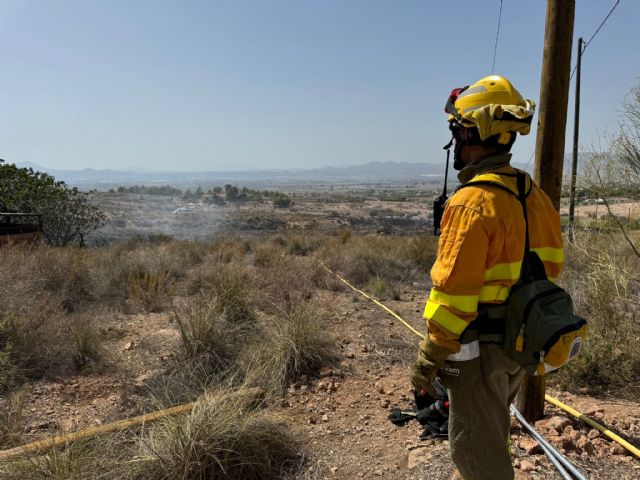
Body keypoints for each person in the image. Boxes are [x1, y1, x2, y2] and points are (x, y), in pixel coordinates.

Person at [410, 75, 564, 480]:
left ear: (475, 134)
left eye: (458, 132)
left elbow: (453, 297)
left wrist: (428, 359)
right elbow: (548, 271)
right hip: (518, 346)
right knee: (489, 435)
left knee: (477, 455)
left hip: (477, 350)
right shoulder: (535, 196)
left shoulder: (471, 203)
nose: (455, 143)